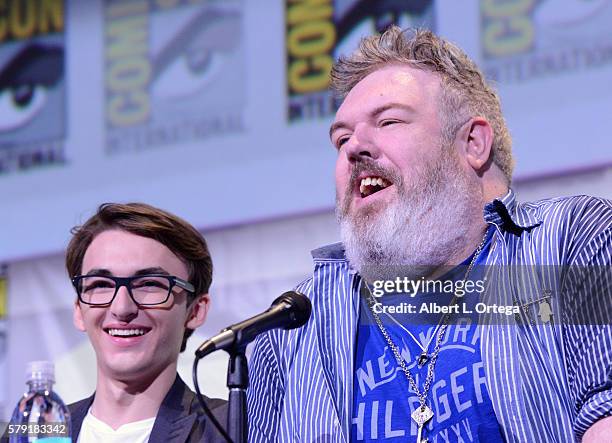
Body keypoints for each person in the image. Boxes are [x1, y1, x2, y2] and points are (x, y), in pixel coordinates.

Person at [247, 27, 612, 442]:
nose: (354, 148)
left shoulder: (567, 243)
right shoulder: (292, 329)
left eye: (388, 121)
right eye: (341, 138)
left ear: (473, 143)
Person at [65, 203, 227, 442]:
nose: (122, 308)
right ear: (79, 310)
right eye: (101, 284)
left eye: (149, 284)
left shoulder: (228, 427)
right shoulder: (35, 431)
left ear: (195, 311)